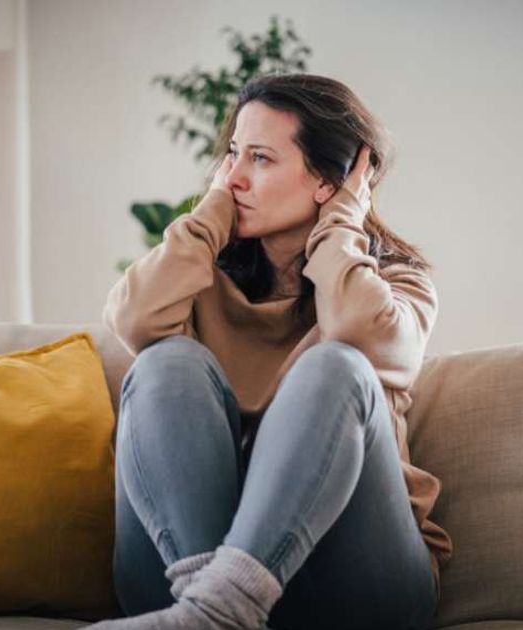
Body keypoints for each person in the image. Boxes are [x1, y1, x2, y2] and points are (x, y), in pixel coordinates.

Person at [92, 74, 448, 630]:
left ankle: (218, 610)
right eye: (232, 154)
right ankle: (213, 606)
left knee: (336, 366)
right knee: (166, 360)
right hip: (183, 567)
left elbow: (355, 331)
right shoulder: (199, 279)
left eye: (260, 158)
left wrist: (341, 226)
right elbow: (132, 320)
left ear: (331, 181)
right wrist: (210, 217)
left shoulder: (399, 286)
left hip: (353, 581)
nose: (233, 177)